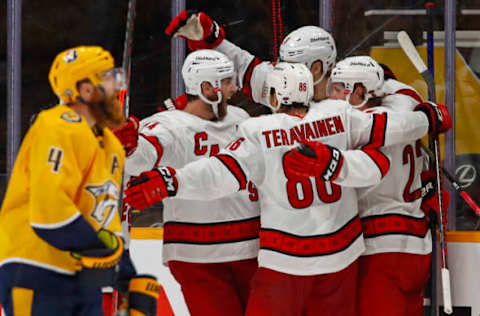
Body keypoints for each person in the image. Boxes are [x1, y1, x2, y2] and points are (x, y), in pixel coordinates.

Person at [123, 62, 451, 316]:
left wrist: (171, 182)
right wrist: (429, 117)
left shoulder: (257, 130)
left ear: (275, 96)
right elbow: (390, 130)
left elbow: (221, 173)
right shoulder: (340, 115)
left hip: (286, 263)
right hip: (342, 259)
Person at [0, 46, 159, 316]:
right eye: (109, 78)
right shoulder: (56, 125)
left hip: (84, 278)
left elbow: (103, 219)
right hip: (35, 268)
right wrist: (103, 253)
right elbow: (49, 212)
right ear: (85, 90)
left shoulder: (111, 145)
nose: (119, 86)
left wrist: (127, 278)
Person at [114, 49, 260, 316]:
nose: (235, 87)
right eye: (227, 81)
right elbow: (144, 156)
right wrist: (131, 146)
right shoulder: (169, 125)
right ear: (207, 87)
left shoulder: (241, 118)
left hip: (250, 248)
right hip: (199, 256)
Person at [327, 55, 451, 316]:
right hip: (417, 246)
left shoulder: (360, 126)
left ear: (358, 92)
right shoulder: (408, 101)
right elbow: (400, 90)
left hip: (380, 249)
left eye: (338, 88)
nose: (331, 95)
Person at [165, 10, 336, 105]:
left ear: (316, 68)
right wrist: (209, 37)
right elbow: (241, 66)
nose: (283, 72)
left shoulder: (352, 96)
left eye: (291, 65)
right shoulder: (283, 84)